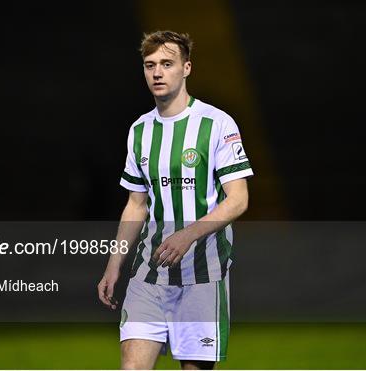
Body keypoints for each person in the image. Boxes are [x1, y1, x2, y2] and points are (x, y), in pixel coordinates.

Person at [97, 30, 253, 370]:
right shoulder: (140, 130)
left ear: (186, 68)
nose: (157, 72)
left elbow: (238, 199)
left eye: (167, 64)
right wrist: (114, 264)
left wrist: (186, 235)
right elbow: (136, 204)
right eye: (149, 65)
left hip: (203, 274)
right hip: (149, 275)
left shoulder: (216, 123)